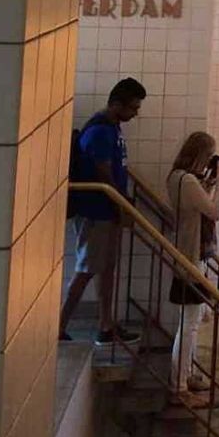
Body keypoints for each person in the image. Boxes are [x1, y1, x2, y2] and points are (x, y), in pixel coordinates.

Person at [60, 77, 147, 344]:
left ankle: (106, 324)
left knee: (107, 268)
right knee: (86, 268)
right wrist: (123, 203)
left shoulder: (113, 128)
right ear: (117, 103)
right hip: (95, 210)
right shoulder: (99, 131)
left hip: (108, 210)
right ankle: (59, 324)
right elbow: (103, 172)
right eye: (133, 107)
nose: (135, 113)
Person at [165, 131, 219, 407]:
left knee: (194, 320)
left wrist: (211, 182)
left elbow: (200, 204)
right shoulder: (188, 181)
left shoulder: (177, 177)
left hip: (187, 255)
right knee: (189, 326)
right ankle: (179, 386)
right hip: (191, 258)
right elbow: (213, 212)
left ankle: (187, 374)